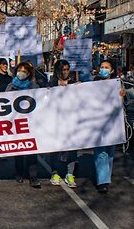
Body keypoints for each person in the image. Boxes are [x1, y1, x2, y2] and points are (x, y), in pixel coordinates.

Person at [6, 62, 41, 188]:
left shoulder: (34, 87)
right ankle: (19, 172)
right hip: (16, 122)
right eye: (20, 70)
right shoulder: (11, 86)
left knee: (31, 149)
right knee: (19, 149)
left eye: (25, 71)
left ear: (29, 73)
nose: (22, 73)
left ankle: (33, 176)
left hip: (30, 122)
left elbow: (41, 100)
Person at [93, 60, 125, 193]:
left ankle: (106, 176)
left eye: (106, 68)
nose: (103, 69)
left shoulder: (117, 83)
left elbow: (123, 102)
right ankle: (103, 181)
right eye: (102, 67)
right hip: (98, 121)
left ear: (112, 70)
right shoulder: (94, 83)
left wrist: (123, 95)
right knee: (101, 152)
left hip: (112, 123)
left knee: (110, 152)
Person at [48, 59, 78, 188]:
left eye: (67, 69)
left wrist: (79, 88)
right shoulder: (51, 83)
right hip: (56, 121)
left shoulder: (73, 84)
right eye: (63, 70)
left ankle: (70, 174)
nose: (66, 72)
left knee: (71, 148)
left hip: (71, 121)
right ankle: (55, 173)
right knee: (56, 148)